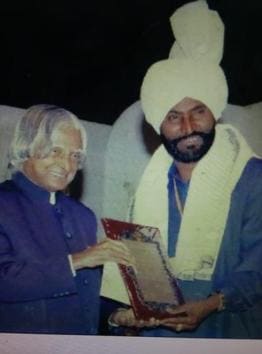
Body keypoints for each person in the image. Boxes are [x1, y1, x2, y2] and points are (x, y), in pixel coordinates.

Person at [101, 1, 262, 338]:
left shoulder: (252, 178)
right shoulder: (150, 186)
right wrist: (126, 319)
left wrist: (212, 303)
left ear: (214, 112)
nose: (188, 126)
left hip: (227, 332)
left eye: (198, 111)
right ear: (160, 122)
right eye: (174, 115)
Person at [0, 104, 132, 334]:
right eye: (55, 151)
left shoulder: (83, 216)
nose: (66, 164)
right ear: (27, 147)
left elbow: (86, 293)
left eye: (75, 156)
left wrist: (117, 317)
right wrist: (77, 261)